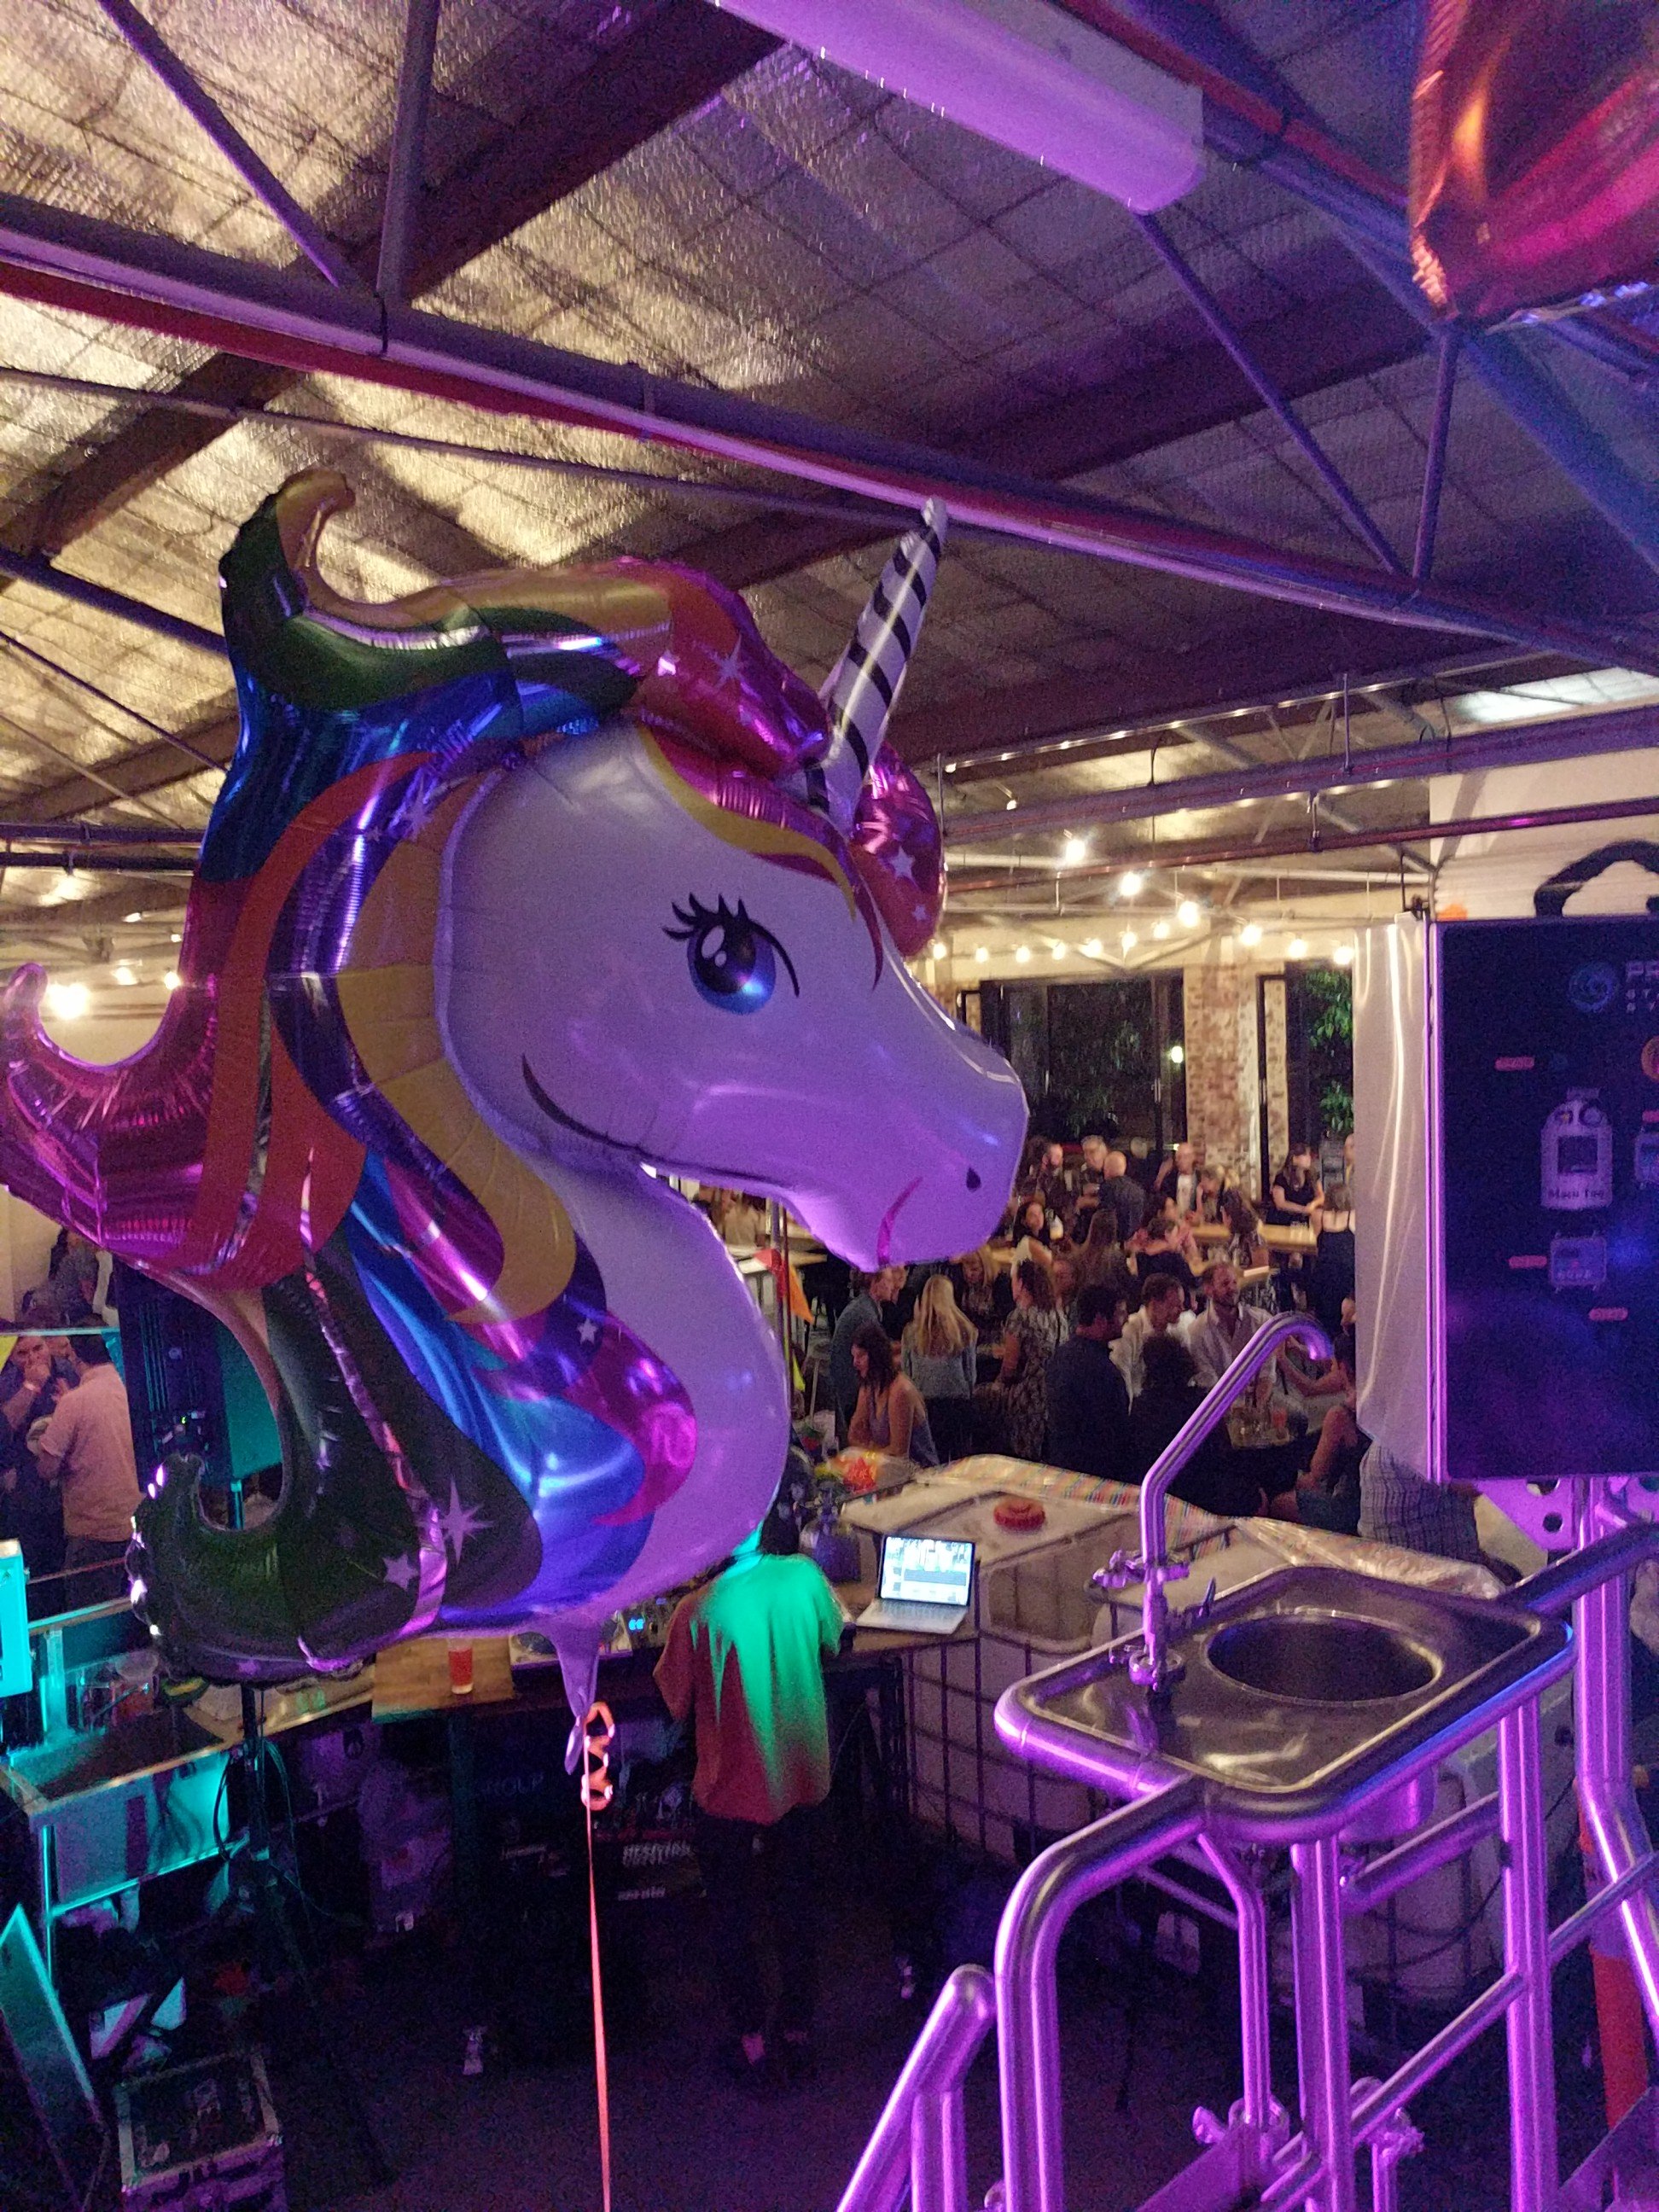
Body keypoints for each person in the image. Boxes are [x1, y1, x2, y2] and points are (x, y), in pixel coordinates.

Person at [655, 1495, 845, 2093]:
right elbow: (835, 1639)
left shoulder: (695, 1611)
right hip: (803, 1776)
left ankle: (753, 2045)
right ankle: (798, 2033)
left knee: (731, 1917)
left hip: (730, 1788)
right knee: (797, 1905)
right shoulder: (805, 1577)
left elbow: (672, 1702)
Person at [33, 1335, 139, 1571]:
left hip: (93, 1531)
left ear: (74, 1355)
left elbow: (47, 1468)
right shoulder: (133, 1390)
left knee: (90, 1595)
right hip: (137, 1521)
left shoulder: (74, 1402)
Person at [1128, 1335, 1265, 1518]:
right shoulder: (1202, 1406)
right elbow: (1223, 1454)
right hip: (1205, 1496)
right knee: (1259, 1495)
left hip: (1161, 1499)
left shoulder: (1141, 1407)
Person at [1272, 1327, 1365, 1534]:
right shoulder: (1376, 1392)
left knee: (1279, 1502)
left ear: (1343, 1368)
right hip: (1367, 1499)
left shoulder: (1340, 1415)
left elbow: (1316, 1475)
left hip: (1349, 1510)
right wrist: (1299, 1350)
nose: (1330, 1366)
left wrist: (1282, 1359)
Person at [1044, 1284, 1132, 1486]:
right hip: (1094, 1478)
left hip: (1062, 1469)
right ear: (1100, 1320)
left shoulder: (1060, 1356)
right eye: (1120, 1313)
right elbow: (1114, 1439)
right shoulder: (1104, 1373)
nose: (1127, 1319)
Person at [987, 1258, 1068, 1461]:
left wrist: (997, 1383)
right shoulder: (1059, 1316)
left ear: (1021, 1284)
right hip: (1053, 1394)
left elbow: (1010, 1367)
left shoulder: (1020, 1317)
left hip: (1029, 1397)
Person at [0, 1335, 66, 1575]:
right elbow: (4, 1430)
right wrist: (31, 1386)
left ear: (48, 1345)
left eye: (38, 1348)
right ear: (12, 1357)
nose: (33, 1358)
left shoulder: (67, 1372)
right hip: (26, 1491)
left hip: (68, 1488)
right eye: (22, 1353)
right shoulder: (6, 1382)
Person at [901, 1276, 977, 1462]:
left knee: (932, 1459)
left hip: (925, 1405)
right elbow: (970, 1375)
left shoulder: (910, 1333)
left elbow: (907, 1373)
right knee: (959, 1460)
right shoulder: (965, 1330)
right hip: (957, 1404)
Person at [849, 1324, 939, 1465]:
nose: (855, 1363)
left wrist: (870, 1449)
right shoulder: (868, 1388)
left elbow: (898, 1453)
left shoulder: (900, 1390)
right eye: (853, 1356)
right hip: (886, 1467)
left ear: (876, 1356)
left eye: (861, 1356)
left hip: (919, 1471)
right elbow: (854, 1436)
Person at [829, 1267, 902, 1441]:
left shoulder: (863, 1307)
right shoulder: (865, 1314)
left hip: (847, 1385)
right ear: (875, 1283)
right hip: (852, 1391)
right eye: (888, 1280)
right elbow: (881, 1357)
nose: (892, 1284)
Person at [1189, 1262, 1267, 1390]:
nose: (1232, 1288)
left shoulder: (1260, 1321)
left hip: (1257, 1396)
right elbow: (1209, 1382)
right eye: (1225, 1284)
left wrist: (1258, 1401)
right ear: (1208, 1290)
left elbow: (1266, 1375)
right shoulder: (1197, 1331)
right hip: (1221, 1400)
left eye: (1234, 1282)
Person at [1112, 1272, 1187, 1399]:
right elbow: (1122, 1379)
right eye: (1174, 1306)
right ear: (1154, 1304)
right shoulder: (1128, 1332)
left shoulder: (1179, 1329)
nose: (1181, 1310)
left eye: (1181, 1304)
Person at [1307, 1181, 1356, 1343]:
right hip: (1346, 1275)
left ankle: (1323, 1349)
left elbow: (1318, 1243)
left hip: (1323, 1274)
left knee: (1325, 1319)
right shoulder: (1353, 1217)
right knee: (1343, 1319)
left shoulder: (1318, 1216)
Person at [1128, 1192, 1197, 1296]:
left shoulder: (1141, 1258)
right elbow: (1193, 1282)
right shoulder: (1173, 1258)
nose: (1177, 1210)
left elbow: (1193, 1255)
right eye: (1172, 1207)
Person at [949, 1247, 1012, 1343]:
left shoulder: (1001, 1284)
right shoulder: (960, 1280)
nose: (969, 1274)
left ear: (986, 1267)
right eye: (965, 1268)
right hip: (968, 1338)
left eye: (975, 1269)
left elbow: (1008, 1321)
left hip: (994, 1340)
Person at [1096, 1149, 1144, 1245]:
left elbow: (1104, 1217)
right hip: (1133, 1241)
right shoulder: (1138, 1189)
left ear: (1107, 1168)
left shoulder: (1107, 1188)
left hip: (1112, 1241)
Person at [1269, 1144, 1324, 1226]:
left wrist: (1313, 1205)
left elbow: (1321, 1196)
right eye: (1305, 1155)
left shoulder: (1313, 1176)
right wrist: (1303, 1209)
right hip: (1285, 1219)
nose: (1309, 1158)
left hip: (1307, 1219)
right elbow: (1280, 1203)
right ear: (1295, 1158)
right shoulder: (1282, 1177)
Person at [1154, 1142, 1199, 1218]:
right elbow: (1161, 1196)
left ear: (1192, 1157)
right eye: (1178, 1158)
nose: (1180, 1161)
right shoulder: (1170, 1179)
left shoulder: (1200, 1179)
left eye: (1184, 1157)